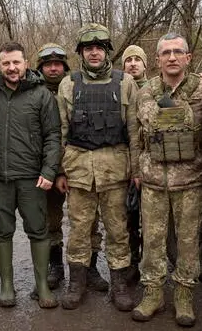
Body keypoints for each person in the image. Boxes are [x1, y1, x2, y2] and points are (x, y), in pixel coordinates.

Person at [129, 33, 202, 326]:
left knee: (188, 242)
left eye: (178, 52)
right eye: (166, 53)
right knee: (152, 241)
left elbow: (193, 120)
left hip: (190, 181)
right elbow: (147, 123)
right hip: (153, 181)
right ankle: (152, 293)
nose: (172, 57)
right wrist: (136, 171)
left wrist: (172, 113)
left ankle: (184, 295)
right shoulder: (147, 89)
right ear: (158, 59)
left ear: (188, 58)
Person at [55, 23, 138, 311]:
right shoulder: (69, 84)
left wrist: (136, 171)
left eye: (98, 48)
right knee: (79, 229)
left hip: (114, 171)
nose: (93, 53)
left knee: (117, 230)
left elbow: (134, 131)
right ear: (81, 52)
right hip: (78, 171)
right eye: (88, 48)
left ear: (106, 52)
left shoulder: (125, 82)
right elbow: (61, 131)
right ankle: (77, 282)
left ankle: (119, 285)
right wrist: (60, 171)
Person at [0, 41, 61, 308]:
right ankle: (7, 286)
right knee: (1, 230)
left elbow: (53, 136)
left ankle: (41, 287)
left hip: (32, 177)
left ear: (26, 63)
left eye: (16, 62)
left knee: (38, 230)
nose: (12, 68)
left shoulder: (42, 95)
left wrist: (49, 170)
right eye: (6, 63)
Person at [35, 43, 108, 292]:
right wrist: (55, 171)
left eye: (58, 64)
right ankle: (55, 267)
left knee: (88, 220)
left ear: (65, 66)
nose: (53, 68)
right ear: (41, 67)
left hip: (81, 166)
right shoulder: (32, 90)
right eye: (48, 64)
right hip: (47, 167)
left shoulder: (78, 85)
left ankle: (90, 267)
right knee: (51, 221)